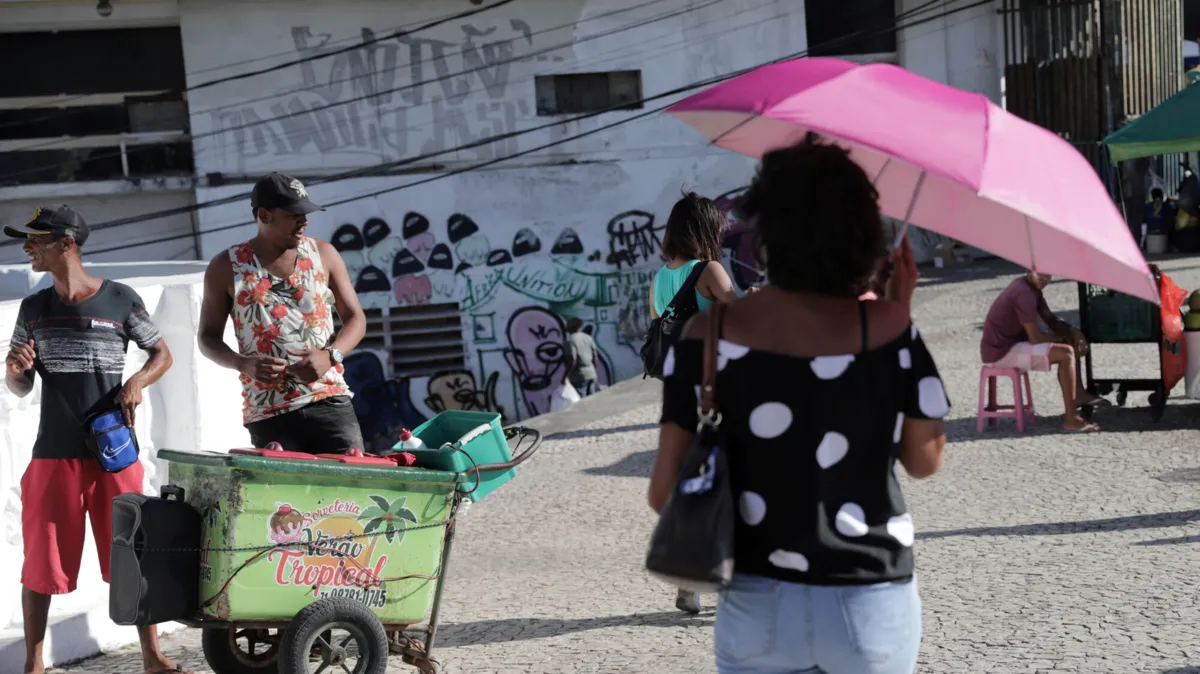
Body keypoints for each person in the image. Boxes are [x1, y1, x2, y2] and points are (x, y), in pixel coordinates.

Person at [649, 134, 949, 674]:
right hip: (870, 598)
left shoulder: (706, 336)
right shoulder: (890, 329)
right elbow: (924, 460)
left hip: (757, 603)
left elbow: (663, 493)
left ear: (763, 232)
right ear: (860, 233)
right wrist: (897, 310)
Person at [3, 206, 189, 674]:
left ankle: (153, 658)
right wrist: (15, 371)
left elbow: (162, 354)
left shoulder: (120, 300)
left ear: (67, 243)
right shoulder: (34, 308)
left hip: (113, 455)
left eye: (36, 240)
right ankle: (34, 666)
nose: (27, 248)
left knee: (133, 556)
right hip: (52, 457)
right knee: (41, 566)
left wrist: (137, 383)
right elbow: (21, 387)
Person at [198, 172, 368, 454]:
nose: (304, 221)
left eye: (306, 213)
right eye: (294, 214)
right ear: (265, 215)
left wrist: (331, 355)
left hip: (330, 401)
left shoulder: (324, 254)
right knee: (281, 498)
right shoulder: (225, 267)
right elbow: (207, 338)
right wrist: (243, 364)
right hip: (268, 413)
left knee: (348, 493)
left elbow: (356, 319)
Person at [648, 191, 743, 616]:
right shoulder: (710, 270)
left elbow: (660, 325)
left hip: (678, 391)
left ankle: (690, 579)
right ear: (706, 230)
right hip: (715, 388)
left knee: (692, 483)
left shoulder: (660, 276)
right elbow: (742, 318)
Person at [980, 270, 1103, 432]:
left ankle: (1078, 394)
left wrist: (1072, 332)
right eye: (1041, 274)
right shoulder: (1023, 293)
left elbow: (1050, 319)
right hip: (1001, 353)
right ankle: (1071, 419)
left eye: (1048, 275)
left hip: (1011, 345)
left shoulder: (1032, 289)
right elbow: (1036, 338)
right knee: (1065, 353)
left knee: (1068, 342)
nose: (1045, 279)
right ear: (1029, 271)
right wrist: (1062, 339)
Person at [564, 317, 599, 396]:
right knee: (593, 400)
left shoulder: (570, 341)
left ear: (571, 327)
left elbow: (573, 360)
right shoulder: (588, 338)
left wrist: (565, 376)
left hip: (578, 377)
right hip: (591, 374)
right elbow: (595, 356)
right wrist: (593, 370)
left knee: (582, 403)